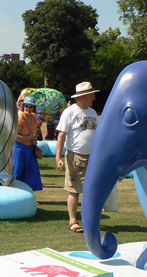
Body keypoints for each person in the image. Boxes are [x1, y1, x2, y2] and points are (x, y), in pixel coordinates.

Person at [55, 82, 99, 233]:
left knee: (91, 190)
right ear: (83, 96)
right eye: (92, 95)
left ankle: (88, 220)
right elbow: (61, 135)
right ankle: (73, 221)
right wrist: (58, 157)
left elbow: (96, 134)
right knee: (74, 190)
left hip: (92, 157)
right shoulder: (70, 112)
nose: (94, 97)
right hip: (75, 157)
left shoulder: (93, 112)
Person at [13, 96, 43, 193]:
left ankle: (29, 194)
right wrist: (29, 138)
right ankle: (16, 193)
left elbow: (34, 133)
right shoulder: (20, 117)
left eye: (31, 107)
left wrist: (34, 139)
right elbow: (15, 137)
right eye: (26, 106)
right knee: (18, 171)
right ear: (23, 106)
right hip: (20, 149)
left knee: (31, 172)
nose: (28, 109)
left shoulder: (33, 117)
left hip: (30, 149)